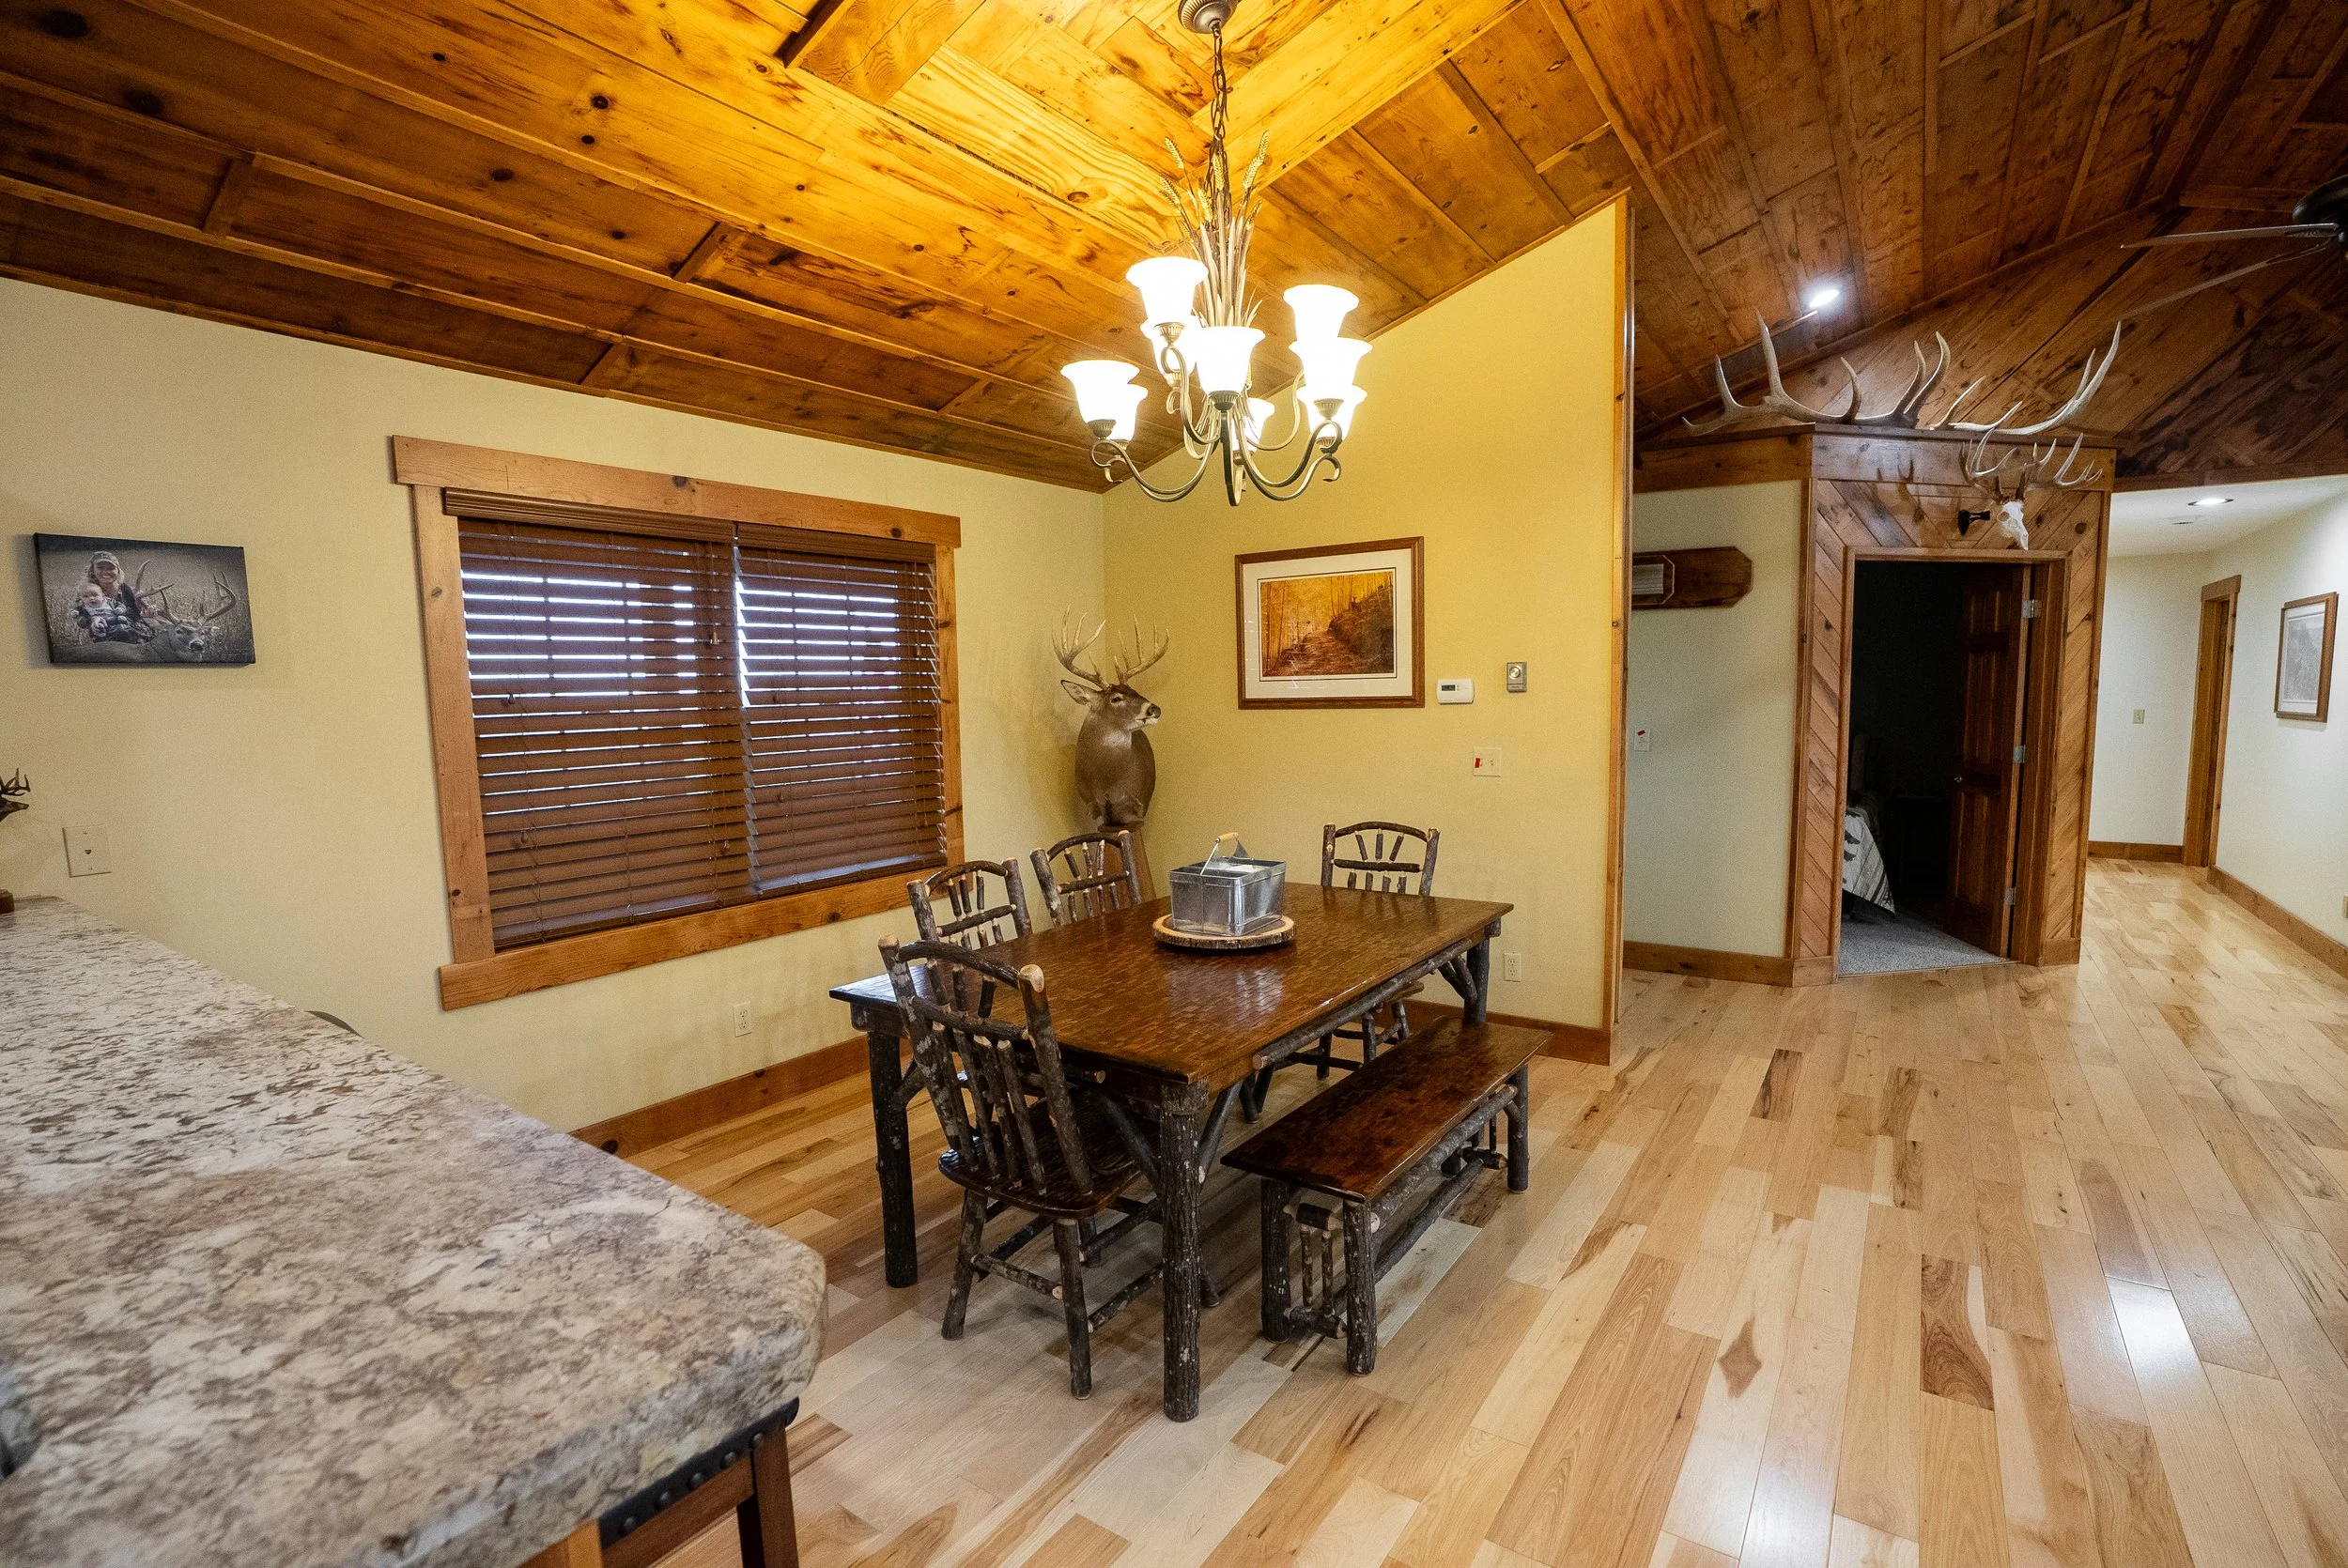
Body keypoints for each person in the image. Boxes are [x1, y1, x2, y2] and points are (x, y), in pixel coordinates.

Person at [82, 550, 151, 639]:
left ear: (118, 571)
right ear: (92, 570)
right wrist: (92, 619)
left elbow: (139, 613)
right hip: (105, 636)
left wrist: (147, 613)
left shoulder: (128, 590)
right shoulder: (87, 593)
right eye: (100, 568)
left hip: (136, 634)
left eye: (111, 568)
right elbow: (80, 618)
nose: (106, 572)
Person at [71, 581, 140, 643]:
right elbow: (79, 617)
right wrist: (75, 613)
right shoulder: (84, 607)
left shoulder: (109, 602)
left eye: (95, 595)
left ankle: (123, 624)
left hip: (113, 620)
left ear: (103, 595)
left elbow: (121, 605)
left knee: (121, 621)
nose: (91, 598)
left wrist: (121, 609)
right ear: (81, 598)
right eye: (86, 596)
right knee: (99, 629)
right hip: (99, 624)